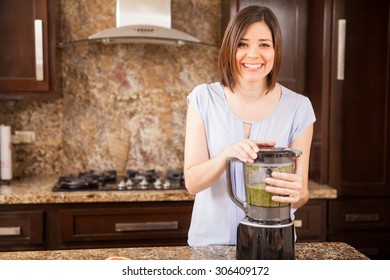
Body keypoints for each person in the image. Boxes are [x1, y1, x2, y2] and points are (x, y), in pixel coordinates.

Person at [184, 5, 316, 246]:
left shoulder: (299, 108)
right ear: (229, 48)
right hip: (210, 247)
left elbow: (301, 193)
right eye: (242, 44)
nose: (253, 54)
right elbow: (192, 183)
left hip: (273, 246)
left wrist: (300, 194)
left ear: (275, 50)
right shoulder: (203, 99)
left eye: (264, 44)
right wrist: (226, 155)